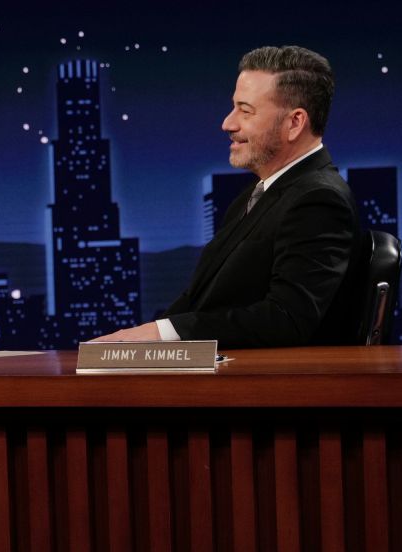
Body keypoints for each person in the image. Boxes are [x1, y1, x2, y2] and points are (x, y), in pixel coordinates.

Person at [95, 45, 369, 348]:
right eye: (233, 107)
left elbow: (286, 319)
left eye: (245, 111)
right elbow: (201, 299)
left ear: (294, 123)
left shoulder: (319, 200)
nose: (228, 123)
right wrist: (140, 340)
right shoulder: (255, 195)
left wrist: (165, 333)